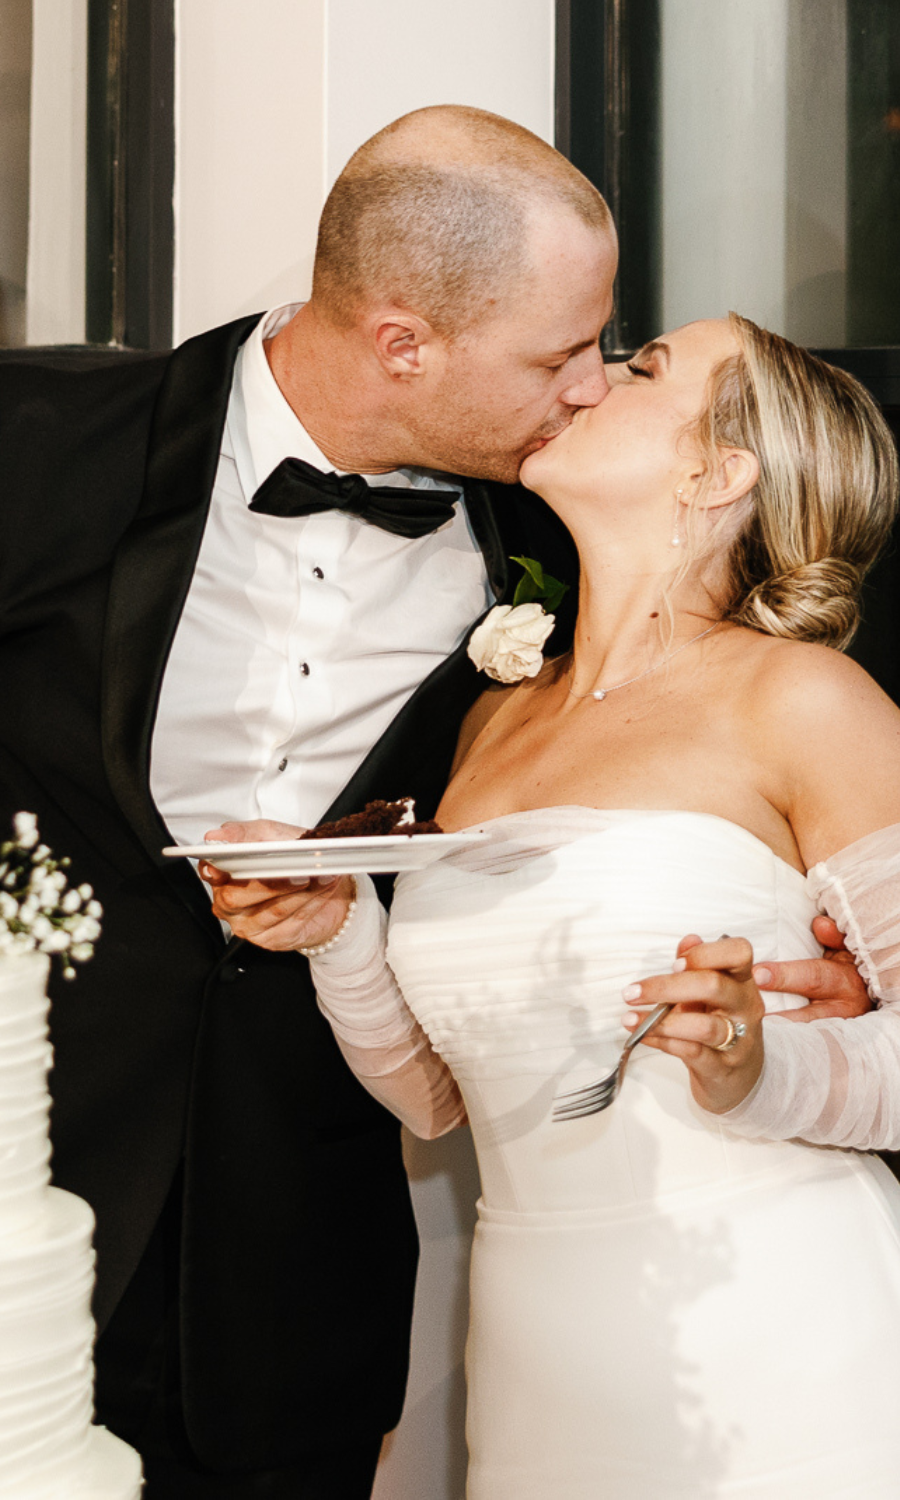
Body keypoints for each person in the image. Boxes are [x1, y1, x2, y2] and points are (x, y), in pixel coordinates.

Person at [210, 313, 900, 1496]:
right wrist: (339, 932)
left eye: (645, 370)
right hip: (537, 1363)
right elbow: (442, 1098)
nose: (591, 383)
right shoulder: (494, 719)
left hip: (785, 1337)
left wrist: (758, 1069)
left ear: (716, 470)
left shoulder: (805, 702)